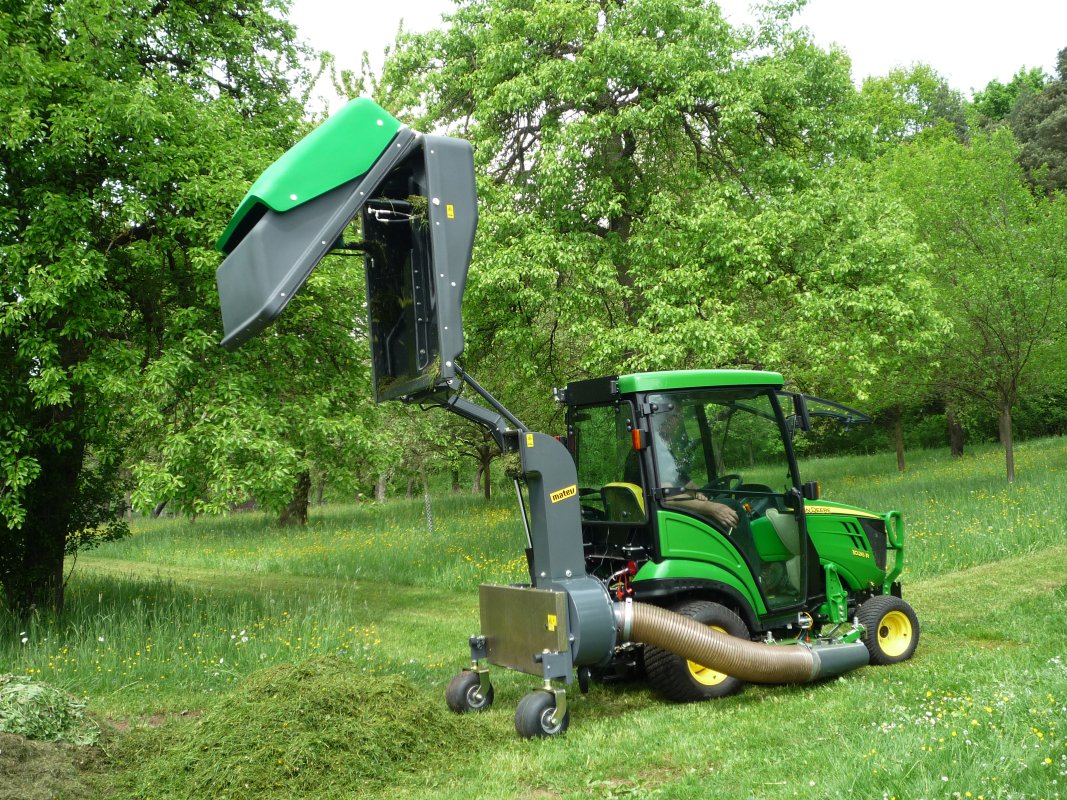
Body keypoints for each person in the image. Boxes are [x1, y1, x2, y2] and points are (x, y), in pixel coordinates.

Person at [651, 405, 739, 529]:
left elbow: (688, 484)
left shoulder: (663, 449)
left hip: (666, 514)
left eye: (676, 417)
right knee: (733, 507)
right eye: (672, 416)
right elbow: (667, 496)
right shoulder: (654, 450)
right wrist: (712, 508)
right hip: (664, 519)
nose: (674, 421)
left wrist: (698, 494)